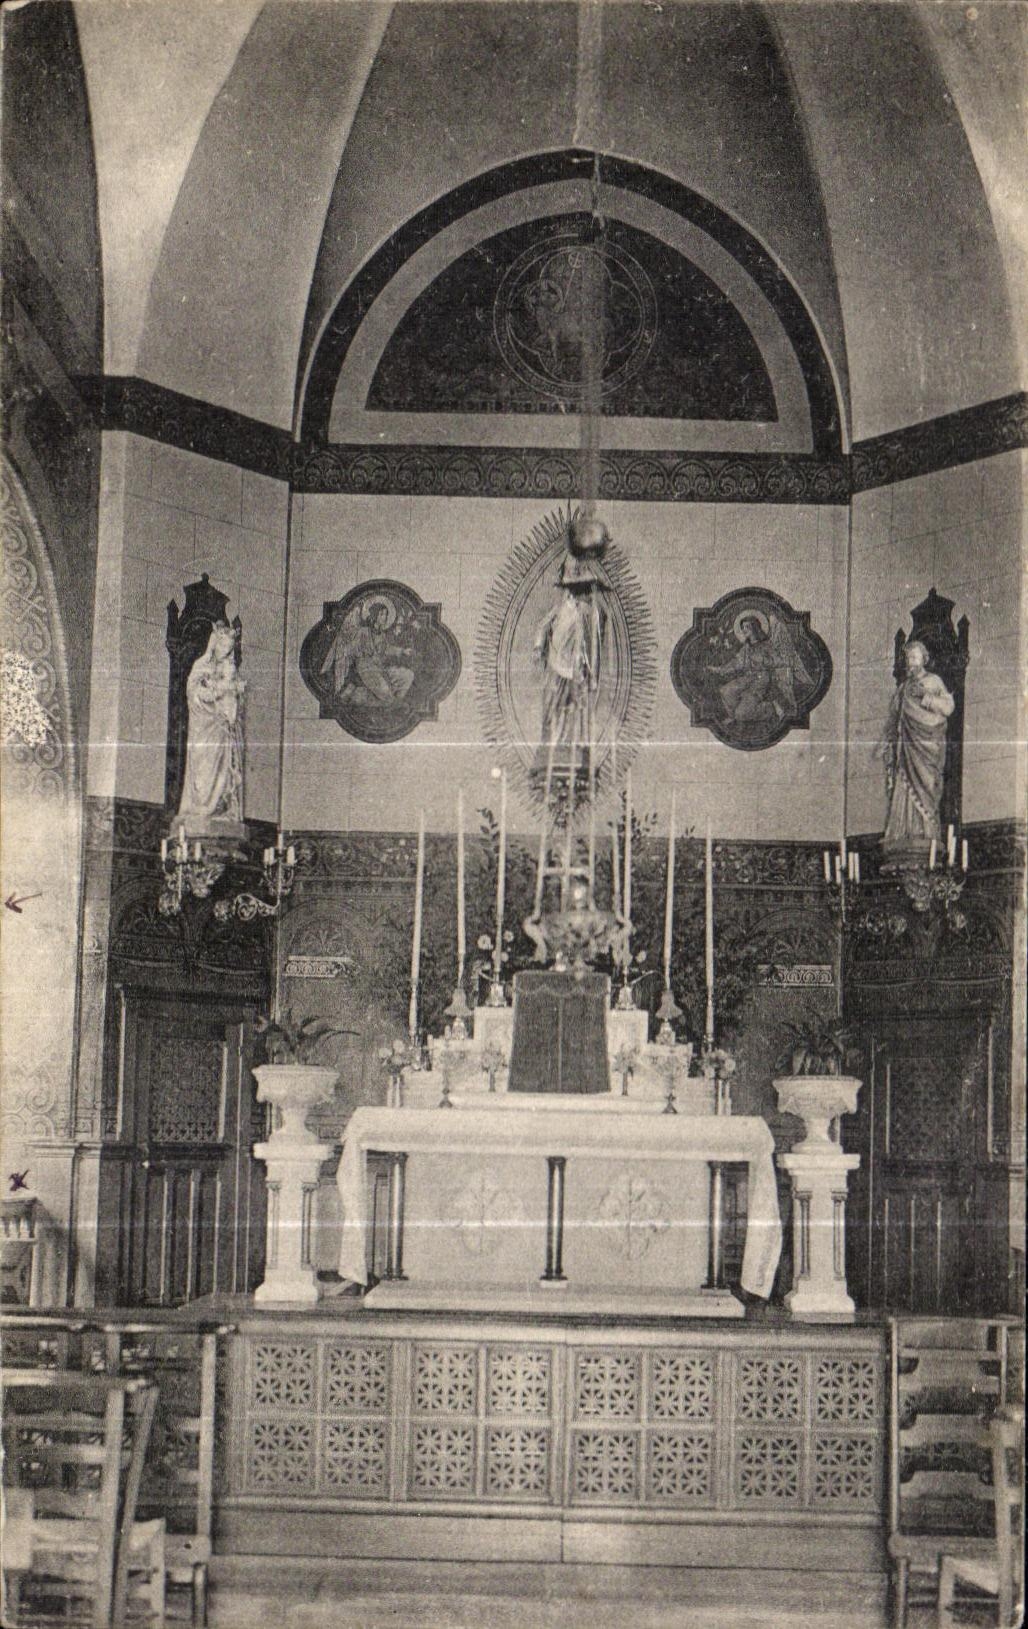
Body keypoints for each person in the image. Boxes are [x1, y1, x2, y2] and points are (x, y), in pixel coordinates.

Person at [878, 638, 954, 852]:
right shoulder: (902, 689)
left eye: (914, 657)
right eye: (907, 658)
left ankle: (926, 830)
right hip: (907, 748)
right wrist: (886, 742)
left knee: (927, 786)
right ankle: (904, 830)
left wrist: (926, 697)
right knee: (904, 783)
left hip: (928, 747)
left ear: (924, 659)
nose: (910, 662)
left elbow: (948, 707)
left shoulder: (934, 681)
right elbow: (894, 719)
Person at [176, 622, 245, 828]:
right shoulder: (201, 665)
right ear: (214, 644)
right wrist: (218, 692)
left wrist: (234, 695)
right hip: (204, 727)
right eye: (223, 646)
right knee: (203, 769)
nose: (225, 651)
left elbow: (236, 702)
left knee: (224, 767)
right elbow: (193, 693)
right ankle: (201, 806)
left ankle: (220, 808)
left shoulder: (230, 669)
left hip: (223, 728)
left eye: (229, 648)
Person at [320, 597, 414, 707]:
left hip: (380, 668)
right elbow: (351, 648)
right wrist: (359, 652)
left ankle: (396, 700)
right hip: (366, 669)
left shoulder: (382, 634)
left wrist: (403, 651)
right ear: (375, 616)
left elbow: (386, 649)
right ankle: (393, 703)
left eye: (386, 614)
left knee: (407, 675)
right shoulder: (363, 632)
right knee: (384, 690)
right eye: (382, 614)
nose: (385, 617)